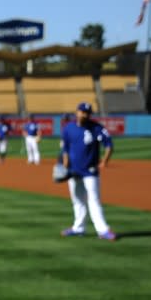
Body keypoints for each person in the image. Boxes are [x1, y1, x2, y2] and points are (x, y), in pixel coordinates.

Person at [60, 102, 116, 240]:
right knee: (77, 200)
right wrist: (65, 165)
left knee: (94, 200)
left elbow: (109, 144)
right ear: (77, 112)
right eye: (82, 111)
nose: (85, 114)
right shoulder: (68, 128)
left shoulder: (96, 128)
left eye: (87, 112)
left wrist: (104, 161)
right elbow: (65, 149)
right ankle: (78, 228)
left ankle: (103, 230)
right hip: (74, 171)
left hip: (90, 171)